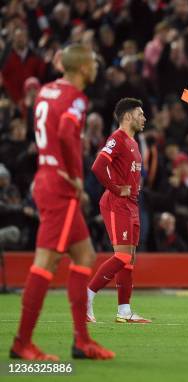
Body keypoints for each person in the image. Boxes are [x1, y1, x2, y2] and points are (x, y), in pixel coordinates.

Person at [10, 44, 114, 361]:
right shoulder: (77, 98)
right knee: (46, 263)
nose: (96, 66)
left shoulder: (45, 91)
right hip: (60, 185)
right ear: (83, 68)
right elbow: (68, 132)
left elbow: (44, 128)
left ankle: (82, 340)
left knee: (84, 254)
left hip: (45, 175)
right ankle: (22, 342)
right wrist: (75, 175)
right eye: (93, 62)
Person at [86, 98, 151, 324]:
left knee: (129, 259)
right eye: (140, 114)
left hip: (131, 203)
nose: (144, 118)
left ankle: (124, 311)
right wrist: (115, 188)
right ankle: (86, 298)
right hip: (116, 202)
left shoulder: (133, 142)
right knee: (122, 255)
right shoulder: (117, 138)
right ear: (128, 116)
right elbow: (97, 166)